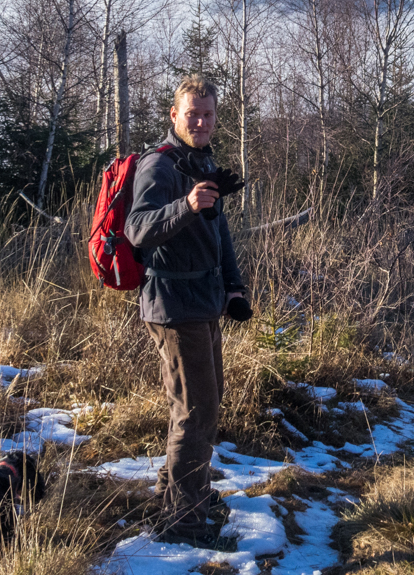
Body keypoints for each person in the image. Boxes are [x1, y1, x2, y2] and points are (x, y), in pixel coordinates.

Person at [127, 75, 245, 547]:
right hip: (174, 307)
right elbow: (138, 229)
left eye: (208, 114)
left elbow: (219, 235)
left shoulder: (203, 161)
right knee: (197, 414)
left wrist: (234, 290)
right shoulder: (159, 165)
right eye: (192, 113)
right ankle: (185, 523)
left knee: (197, 410)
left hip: (204, 302)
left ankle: (174, 498)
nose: (200, 121)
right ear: (174, 116)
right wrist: (187, 203)